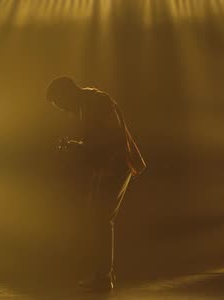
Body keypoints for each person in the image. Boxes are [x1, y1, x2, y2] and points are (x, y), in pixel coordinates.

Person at [46, 76, 146, 291]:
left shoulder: (96, 102)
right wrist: (76, 146)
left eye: (60, 103)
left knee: (100, 220)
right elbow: (98, 140)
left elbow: (109, 139)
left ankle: (103, 277)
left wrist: (102, 167)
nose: (62, 109)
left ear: (66, 93)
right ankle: (103, 275)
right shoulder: (89, 103)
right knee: (100, 220)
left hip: (114, 167)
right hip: (111, 167)